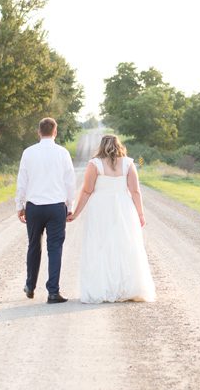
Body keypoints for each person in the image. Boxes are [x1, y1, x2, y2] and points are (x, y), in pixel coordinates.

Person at [68, 134, 156, 303]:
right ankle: (127, 288)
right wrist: (140, 214)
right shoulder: (128, 163)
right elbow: (135, 191)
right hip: (123, 207)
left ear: (101, 146)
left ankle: (103, 288)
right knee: (125, 245)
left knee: (100, 246)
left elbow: (87, 191)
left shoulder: (95, 164)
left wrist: (76, 213)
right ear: (119, 145)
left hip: (100, 208)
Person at [15, 117, 76, 304]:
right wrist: (70, 206)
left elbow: (22, 181)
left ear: (39, 132)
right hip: (56, 205)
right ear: (55, 132)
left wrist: (20, 205)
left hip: (34, 206)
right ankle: (53, 292)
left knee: (34, 245)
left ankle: (30, 285)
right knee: (55, 248)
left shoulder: (28, 152)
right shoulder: (63, 153)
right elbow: (70, 182)